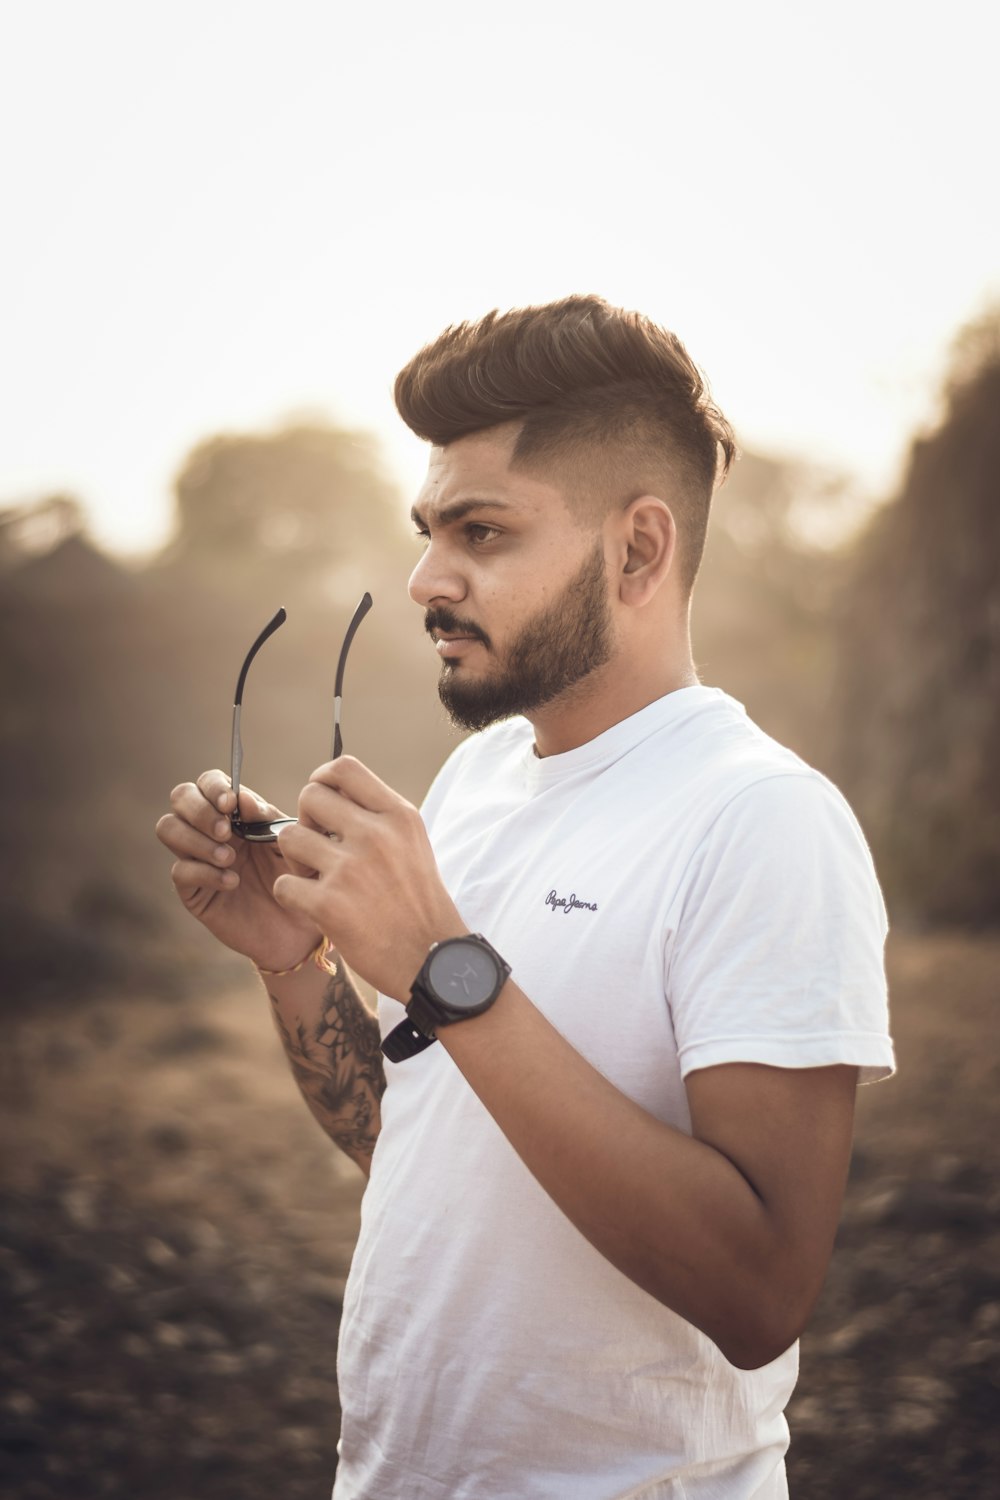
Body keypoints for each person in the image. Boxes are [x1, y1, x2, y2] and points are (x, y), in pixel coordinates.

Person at [156, 295, 894, 1499]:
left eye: (481, 533)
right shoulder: (480, 778)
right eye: (427, 532)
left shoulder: (762, 821)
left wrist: (445, 959)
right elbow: (419, 1148)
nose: (423, 579)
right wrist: (294, 960)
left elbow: (760, 1292)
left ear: (638, 550)